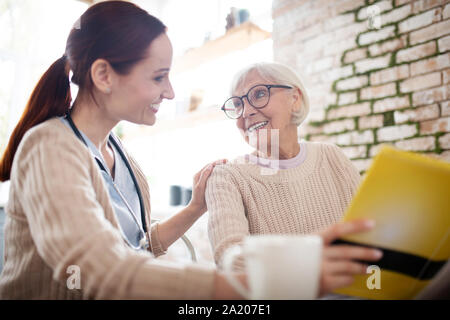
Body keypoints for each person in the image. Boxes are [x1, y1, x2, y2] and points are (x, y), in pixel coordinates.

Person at [0, 1, 381, 300]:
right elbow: (102, 269)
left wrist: (195, 207)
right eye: (158, 77)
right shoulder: (50, 145)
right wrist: (259, 283)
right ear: (104, 76)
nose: (170, 93)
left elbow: (139, 246)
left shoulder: (123, 158)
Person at [206, 62, 383, 296]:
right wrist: (307, 262)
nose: (246, 112)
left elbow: (371, 235)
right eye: (238, 104)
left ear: (295, 99)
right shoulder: (226, 177)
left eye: (259, 94)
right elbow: (231, 262)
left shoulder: (332, 156)